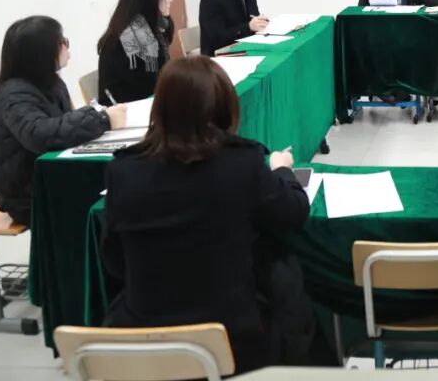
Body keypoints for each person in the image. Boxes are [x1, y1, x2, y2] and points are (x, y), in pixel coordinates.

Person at [102, 56, 317, 373]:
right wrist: (282, 171)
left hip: (146, 344)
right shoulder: (242, 163)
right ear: (225, 108)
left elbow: (114, 260)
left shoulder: (122, 172)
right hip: (234, 344)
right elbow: (292, 213)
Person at [0, 16, 126, 225]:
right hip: (26, 195)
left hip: (50, 173)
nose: (67, 45)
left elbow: (63, 124)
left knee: (121, 178)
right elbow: (41, 135)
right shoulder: (14, 95)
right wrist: (102, 120)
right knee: (115, 192)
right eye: (61, 42)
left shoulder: (49, 82)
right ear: (41, 53)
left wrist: (97, 117)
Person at [97, 0, 174, 104]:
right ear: (148, 1)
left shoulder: (151, 27)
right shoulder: (128, 38)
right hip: (127, 108)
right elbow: (146, 86)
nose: (170, 0)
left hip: (147, 100)